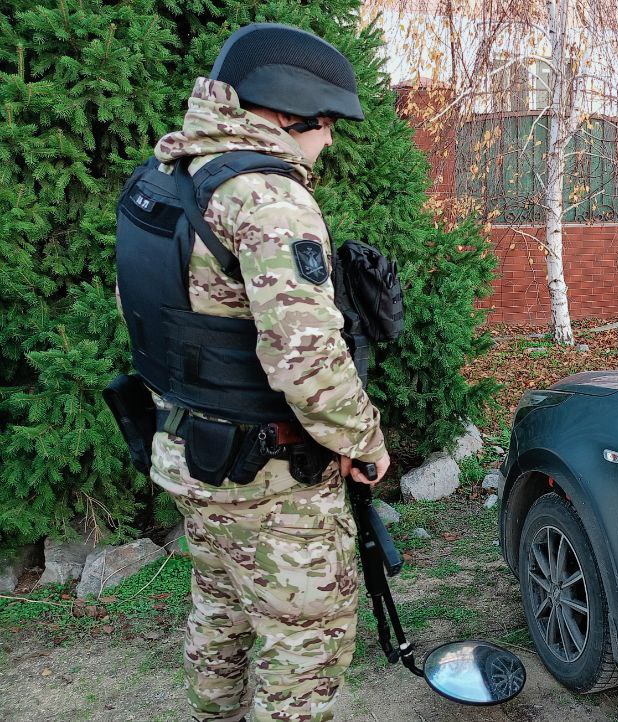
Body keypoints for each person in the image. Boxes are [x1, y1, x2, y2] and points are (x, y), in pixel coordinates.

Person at [116, 23, 390, 722]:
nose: (327, 141)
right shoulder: (266, 198)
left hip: (186, 453)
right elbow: (307, 364)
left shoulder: (164, 180)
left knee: (221, 611)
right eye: (325, 123)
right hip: (267, 480)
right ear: (286, 111)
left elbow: (154, 319)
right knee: (304, 644)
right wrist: (365, 443)